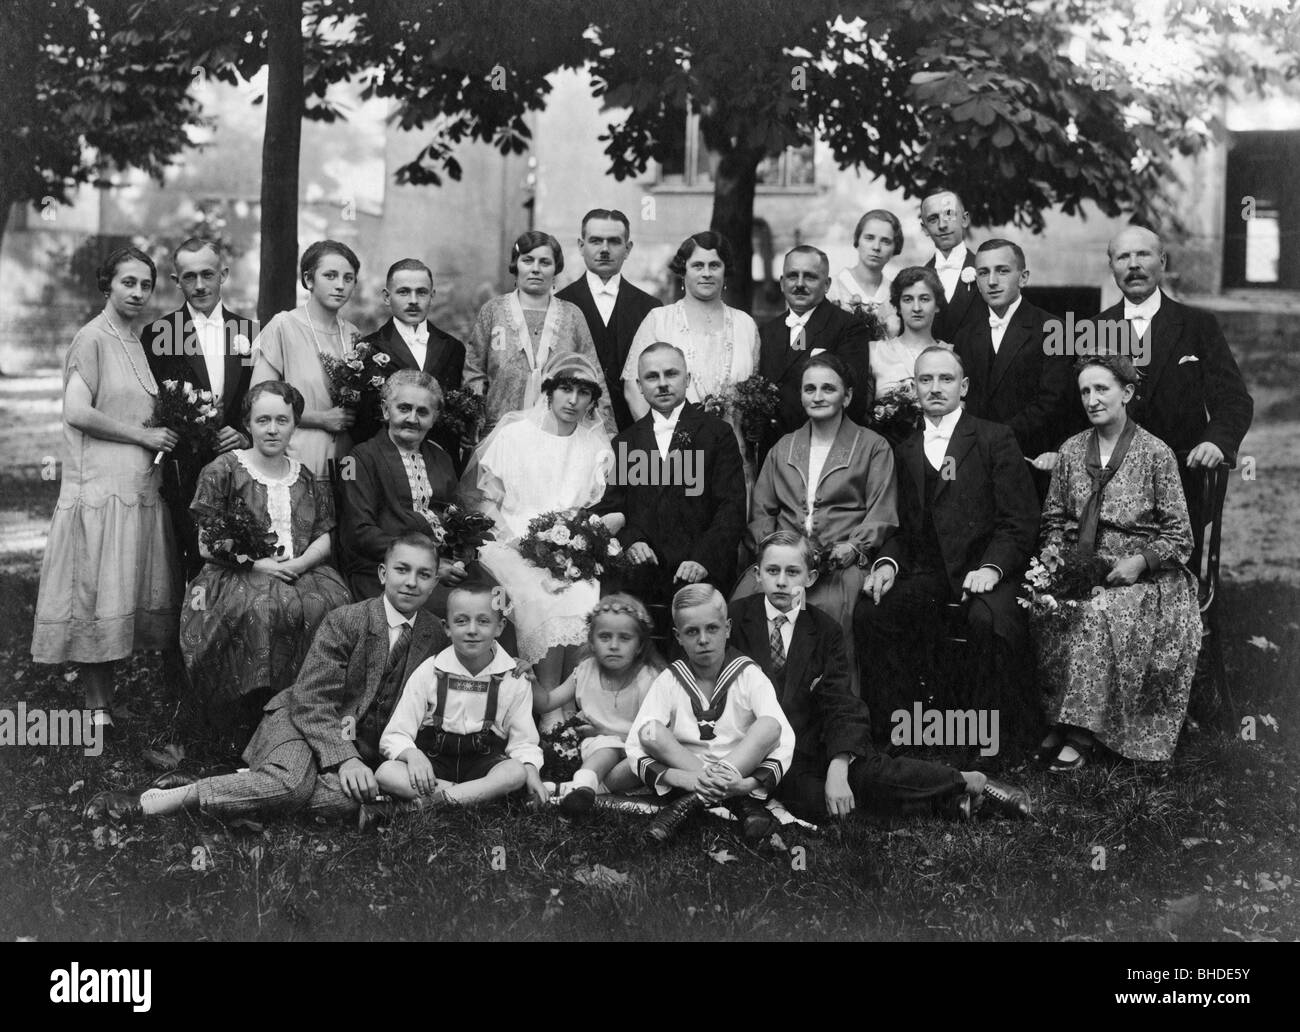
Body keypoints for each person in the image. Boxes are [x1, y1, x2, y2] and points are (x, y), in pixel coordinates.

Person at [84, 533, 448, 823]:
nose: (411, 582)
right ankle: (157, 802)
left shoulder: (435, 635)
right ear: (384, 574)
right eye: (402, 570)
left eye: (424, 575)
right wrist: (345, 760)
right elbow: (312, 700)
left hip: (361, 748)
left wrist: (398, 756)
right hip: (301, 722)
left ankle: (234, 783)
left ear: (435, 583)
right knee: (291, 787)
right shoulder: (347, 620)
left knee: (343, 798)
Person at [731, 531, 1031, 821]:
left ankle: (969, 780)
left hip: (812, 745)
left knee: (869, 773)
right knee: (818, 801)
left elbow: (840, 700)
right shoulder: (735, 622)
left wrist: (838, 765)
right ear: (757, 575)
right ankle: (948, 804)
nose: (782, 582)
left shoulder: (824, 629)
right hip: (759, 752)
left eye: (792, 572)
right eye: (772, 571)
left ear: (810, 578)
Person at [854, 348, 1040, 758]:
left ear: (964, 386)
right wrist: (886, 562)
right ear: (914, 388)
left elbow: (1019, 520)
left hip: (989, 570)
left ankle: (983, 743)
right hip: (930, 573)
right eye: (926, 380)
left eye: (945, 379)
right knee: (873, 612)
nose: (935, 388)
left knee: (984, 620)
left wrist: (992, 567)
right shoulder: (904, 450)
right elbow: (900, 525)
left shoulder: (994, 438)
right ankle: (901, 733)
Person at [31, 247, 183, 736]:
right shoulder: (91, 338)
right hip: (99, 492)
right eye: (128, 283)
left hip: (135, 491)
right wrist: (144, 436)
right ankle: (97, 712)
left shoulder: (135, 341)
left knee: (122, 595)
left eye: (145, 285)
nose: (138, 293)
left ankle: (113, 705)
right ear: (107, 286)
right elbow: (77, 411)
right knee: (98, 595)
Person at [1036, 356, 1202, 771]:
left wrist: (1141, 562)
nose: (1091, 400)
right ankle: (1063, 716)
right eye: (1084, 392)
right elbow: (1054, 519)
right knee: (1045, 606)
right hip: (1081, 565)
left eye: (1101, 389)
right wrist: (1058, 564)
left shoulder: (1154, 453)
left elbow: (1181, 535)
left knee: (1098, 613)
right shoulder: (1072, 450)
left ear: (1126, 393)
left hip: (1144, 579)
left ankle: (1081, 734)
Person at [180, 381, 352, 737]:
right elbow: (205, 544)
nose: (272, 429)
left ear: (294, 424)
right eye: (263, 420)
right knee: (261, 608)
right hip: (237, 572)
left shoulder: (303, 474)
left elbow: (323, 534)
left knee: (332, 604)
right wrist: (259, 565)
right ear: (247, 424)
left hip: (298, 569)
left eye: (282, 420)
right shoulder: (224, 470)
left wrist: (300, 565)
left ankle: (309, 713)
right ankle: (248, 719)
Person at [461, 352, 615, 708]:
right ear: (548, 391)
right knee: (540, 594)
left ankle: (568, 701)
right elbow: (486, 502)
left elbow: (592, 509)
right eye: (565, 389)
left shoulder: (594, 447)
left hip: (568, 542)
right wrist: (514, 540)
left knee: (583, 593)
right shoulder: (515, 435)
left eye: (583, 392)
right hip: (511, 537)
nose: (573, 400)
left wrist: (576, 543)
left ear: (593, 400)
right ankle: (546, 704)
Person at [739, 354, 896, 694]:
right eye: (810, 388)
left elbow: (881, 512)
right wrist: (775, 550)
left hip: (839, 564)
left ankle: (832, 716)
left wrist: (854, 547)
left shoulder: (872, 447)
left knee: (827, 613)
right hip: (784, 560)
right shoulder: (783, 447)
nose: (818, 396)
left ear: (848, 396)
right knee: (746, 609)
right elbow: (762, 510)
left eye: (828, 388)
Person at [1087, 224, 1253, 524]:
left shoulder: (1198, 325)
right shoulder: (1092, 330)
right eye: (1123, 257)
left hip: (1182, 482)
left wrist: (1215, 442)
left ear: (1162, 262)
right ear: (1111, 266)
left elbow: (1234, 400)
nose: (1134, 264)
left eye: (1143, 255)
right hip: (1108, 487)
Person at [624, 584, 796, 843]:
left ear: (727, 629)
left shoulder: (749, 675)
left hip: (739, 771)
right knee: (649, 731)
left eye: (712, 628)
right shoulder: (669, 680)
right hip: (687, 774)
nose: (703, 639)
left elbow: (784, 739)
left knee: (771, 725)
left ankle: (692, 803)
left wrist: (748, 784)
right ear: (678, 636)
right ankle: (737, 804)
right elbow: (636, 744)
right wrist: (681, 777)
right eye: (692, 631)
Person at [593, 343, 747, 621]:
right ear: (639, 386)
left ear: (687, 379)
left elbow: (731, 507)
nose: (662, 384)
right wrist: (632, 542)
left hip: (701, 573)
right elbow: (613, 509)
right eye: (652, 377)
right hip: (643, 577)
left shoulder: (717, 434)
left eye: (671, 374)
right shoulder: (626, 441)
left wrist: (702, 559)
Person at [375, 580, 549, 810]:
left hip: (484, 764)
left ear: (499, 627)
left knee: (515, 772)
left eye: (484, 621)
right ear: (447, 628)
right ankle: (474, 798)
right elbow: (396, 733)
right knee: (386, 772)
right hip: (435, 763)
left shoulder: (512, 677)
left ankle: (434, 802)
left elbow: (523, 741)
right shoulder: (430, 670)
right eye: (461, 621)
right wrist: (412, 755)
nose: (472, 630)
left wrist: (531, 770)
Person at [142, 237, 257, 579]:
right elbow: (152, 401)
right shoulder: (159, 333)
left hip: (236, 461)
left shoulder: (247, 332)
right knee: (190, 560)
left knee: (240, 555)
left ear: (223, 274)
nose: (200, 285)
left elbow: (256, 395)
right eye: (189, 277)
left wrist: (244, 435)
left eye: (208, 274)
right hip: (184, 467)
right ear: (177, 281)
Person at [464, 230, 615, 435]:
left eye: (545, 262)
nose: (536, 269)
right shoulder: (493, 311)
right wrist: (473, 420)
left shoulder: (572, 315)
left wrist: (606, 429)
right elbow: (473, 371)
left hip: (558, 434)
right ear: (516, 265)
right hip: (499, 432)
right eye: (528, 260)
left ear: (555, 269)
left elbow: (592, 374)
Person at [953, 239, 1074, 486]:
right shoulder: (966, 335)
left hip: (1031, 462)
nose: (992, 281)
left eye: (1003, 270)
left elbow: (1053, 401)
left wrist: (995, 437)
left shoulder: (1054, 329)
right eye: (984, 273)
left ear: (1023, 277)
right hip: (977, 463)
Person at [530, 594, 665, 815]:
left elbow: (654, 734)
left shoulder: (647, 679)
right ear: (591, 642)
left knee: (640, 763)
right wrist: (532, 680)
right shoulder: (585, 671)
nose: (613, 645)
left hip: (637, 750)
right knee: (607, 747)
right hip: (598, 749)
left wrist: (606, 730)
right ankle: (584, 785)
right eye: (604, 637)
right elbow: (546, 703)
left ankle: (572, 789)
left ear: (639, 645)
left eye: (624, 638)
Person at [339, 370, 462, 605]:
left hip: (443, 568)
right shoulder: (355, 459)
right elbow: (358, 532)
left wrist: (462, 552)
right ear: (386, 410)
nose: (413, 419)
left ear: (434, 417)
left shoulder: (441, 457)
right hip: (386, 570)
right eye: (404, 408)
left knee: (494, 601)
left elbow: (457, 515)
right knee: (457, 611)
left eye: (423, 412)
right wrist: (428, 564)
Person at [621, 231, 760, 427]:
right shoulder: (659, 320)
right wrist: (660, 439)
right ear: (682, 270)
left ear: (725, 270)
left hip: (734, 448)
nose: (706, 273)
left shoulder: (745, 324)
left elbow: (754, 393)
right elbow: (633, 389)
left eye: (714, 265)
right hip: (676, 449)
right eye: (697, 265)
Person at [250, 240, 363, 479]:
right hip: (296, 453)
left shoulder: (353, 334)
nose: (340, 285)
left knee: (342, 509)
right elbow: (258, 401)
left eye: (348, 278)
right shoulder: (284, 326)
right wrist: (322, 418)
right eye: (330, 276)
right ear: (309, 280)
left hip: (346, 460)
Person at [756, 246, 873, 462]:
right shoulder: (767, 331)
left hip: (823, 451)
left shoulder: (848, 328)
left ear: (826, 284)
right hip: (773, 454)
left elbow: (853, 400)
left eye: (810, 277)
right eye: (793, 276)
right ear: (782, 283)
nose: (799, 284)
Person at [556, 208, 661, 431]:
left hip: (633, 431)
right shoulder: (559, 305)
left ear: (628, 248)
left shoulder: (650, 308)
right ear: (581, 245)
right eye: (595, 241)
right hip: (574, 430)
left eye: (614, 241)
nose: (604, 249)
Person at [354, 258, 465, 450]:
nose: (413, 300)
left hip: (441, 462)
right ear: (387, 297)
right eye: (404, 292)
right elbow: (363, 423)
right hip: (387, 461)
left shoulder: (453, 348)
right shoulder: (368, 347)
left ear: (432, 295)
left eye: (421, 292)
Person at [872, 266, 953, 401]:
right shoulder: (876, 352)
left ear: (937, 305)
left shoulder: (950, 353)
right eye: (908, 299)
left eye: (924, 299)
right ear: (898, 306)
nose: (916, 308)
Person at [920, 189, 987, 342]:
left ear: (964, 219)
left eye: (949, 215)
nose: (942, 225)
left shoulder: (987, 271)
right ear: (925, 229)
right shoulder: (918, 280)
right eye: (933, 219)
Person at [826, 209, 903, 308]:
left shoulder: (896, 294)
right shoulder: (832, 289)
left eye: (885, 241)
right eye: (869, 238)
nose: (876, 247)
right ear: (857, 241)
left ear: (895, 248)